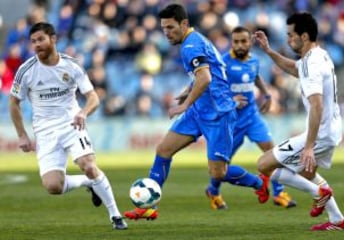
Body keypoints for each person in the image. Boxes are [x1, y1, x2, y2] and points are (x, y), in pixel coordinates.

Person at [124, 3, 269, 220]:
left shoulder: (190, 46)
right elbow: (205, 74)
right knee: (163, 150)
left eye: (171, 27)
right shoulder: (196, 40)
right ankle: (149, 206)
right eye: (164, 28)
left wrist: (183, 105)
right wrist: (187, 92)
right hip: (199, 110)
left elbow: (205, 77)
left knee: (217, 172)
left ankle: (259, 182)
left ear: (184, 24)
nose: (167, 33)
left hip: (218, 114)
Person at [9, 22, 127, 230]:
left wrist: (83, 112)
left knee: (89, 165)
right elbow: (13, 103)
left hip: (72, 124)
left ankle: (115, 216)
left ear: (53, 39)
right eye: (33, 41)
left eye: (41, 40)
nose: (36, 45)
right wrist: (22, 135)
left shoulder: (72, 66)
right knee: (53, 186)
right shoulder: (26, 70)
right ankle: (88, 183)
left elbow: (93, 98)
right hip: (45, 131)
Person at [254, 12, 344, 230]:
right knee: (308, 173)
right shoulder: (319, 55)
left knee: (265, 165)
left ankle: (320, 193)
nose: (288, 40)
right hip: (332, 130)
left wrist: (308, 146)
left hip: (320, 134)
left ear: (304, 36)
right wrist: (269, 51)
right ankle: (337, 220)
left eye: (290, 35)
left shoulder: (310, 64)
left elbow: (317, 105)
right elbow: (292, 68)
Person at [205, 26, 297, 210]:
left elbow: (255, 77)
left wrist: (267, 94)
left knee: (272, 152)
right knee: (221, 167)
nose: (239, 45)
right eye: (236, 41)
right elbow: (211, 89)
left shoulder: (254, 60)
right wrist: (230, 100)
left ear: (250, 42)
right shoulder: (223, 63)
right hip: (231, 122)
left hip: (252, 116)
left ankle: (279, 193)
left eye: (243, 41)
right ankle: (213, 191)